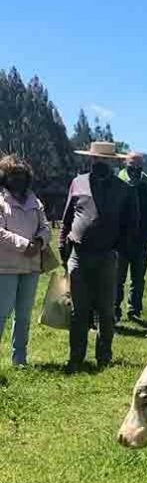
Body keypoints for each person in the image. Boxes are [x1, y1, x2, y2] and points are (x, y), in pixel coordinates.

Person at [59, 141, 139, 371]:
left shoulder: (124, 189)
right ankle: (76, 358)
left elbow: (132, 224)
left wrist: (120, 249)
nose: (99, 163)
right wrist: (62, 246)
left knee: (106, 310)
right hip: (78, 255)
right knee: (78, 311)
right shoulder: (77, 183)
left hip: (106, 257)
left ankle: (104, 357)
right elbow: (66, 219)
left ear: (112, 163)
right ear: (90, 159)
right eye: (96, 159)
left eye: (104, 160)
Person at [0, 155, 51, 366]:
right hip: (6, 266)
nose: (18, 178)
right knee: (2, 313)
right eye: (13, 174)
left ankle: (19, 360)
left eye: (21, 174)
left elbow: (46, 227)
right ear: (5, 176)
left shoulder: (34, 200)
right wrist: (24, 244)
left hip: (31, 267)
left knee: (23, 315)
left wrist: (39, 242)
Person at [114, 151, 147, 321]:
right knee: (117, 278)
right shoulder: (117, 185)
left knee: (138, 278)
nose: (135, 170)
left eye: (138, 167)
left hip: (142, 240)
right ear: (125, 165)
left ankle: (134, 311)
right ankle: (115, 309)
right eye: (131, 166)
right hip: (120, 241)